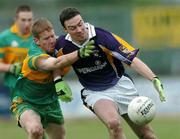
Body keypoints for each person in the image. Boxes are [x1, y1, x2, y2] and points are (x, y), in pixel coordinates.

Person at [55, 7, 166, 139]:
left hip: (120, 85)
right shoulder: (62, 44)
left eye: (80, 24)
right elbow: (54, 62)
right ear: (65, 30)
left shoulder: (102, 37)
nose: (79, 30)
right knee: (113, 123)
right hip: (95, 92)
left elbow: (132, 60)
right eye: (72, 28)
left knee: (146, 134)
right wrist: (57, 80)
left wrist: (153, 78)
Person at [10, 18, 95, 139]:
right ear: (37, 41)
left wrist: (57, 79)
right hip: (26, 102)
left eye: (52, 36)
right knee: (35, 130)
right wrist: (80, 53)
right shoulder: (34, 57)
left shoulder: (59, 44)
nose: (52, 41)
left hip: (51, 103)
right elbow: (54, 63)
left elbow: (55, 58)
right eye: (46, 39)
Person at [0, 5, 34, 93]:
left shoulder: (37, 36)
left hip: (36, 85)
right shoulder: (4, 37)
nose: (27, 23)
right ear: (16, 19)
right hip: (14, 85)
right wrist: (11, 67)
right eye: (23, 20)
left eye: (29, 20)